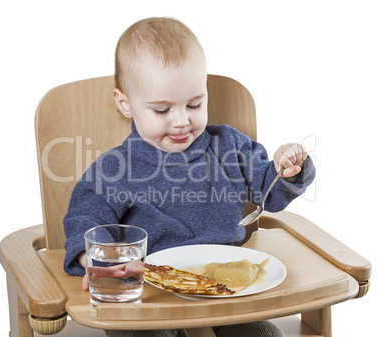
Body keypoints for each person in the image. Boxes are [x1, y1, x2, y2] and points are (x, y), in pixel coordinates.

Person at [63, 17, 315, 337]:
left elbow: (270, 191)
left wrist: (285, 170)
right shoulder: (117, 167)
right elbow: (85, 215)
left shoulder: (229, 146)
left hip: (227, 285)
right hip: (149, 293)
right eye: (162, 110)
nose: (182, 121)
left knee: (264, 335)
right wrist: (94, 257)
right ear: (125, 104)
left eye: (194, 104)